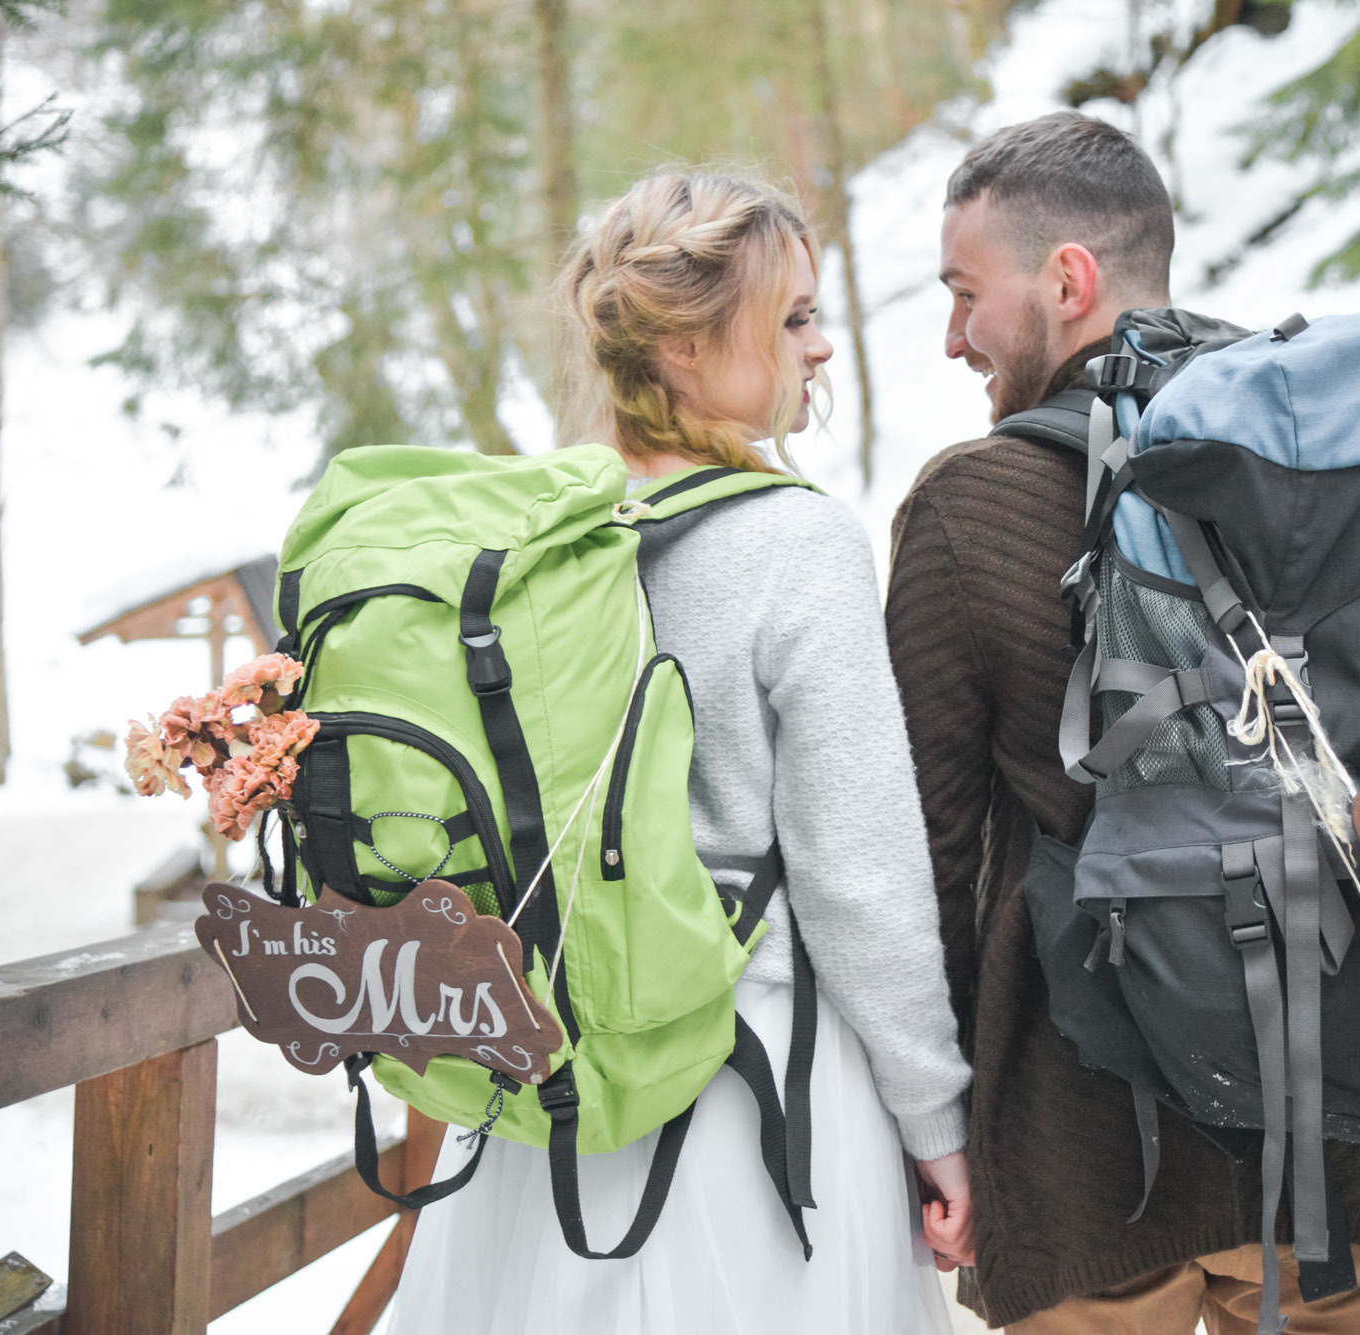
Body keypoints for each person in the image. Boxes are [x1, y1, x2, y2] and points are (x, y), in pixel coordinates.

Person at [390, 169, 973, 1335]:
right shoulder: (795, 541)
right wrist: (936, 1128)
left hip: (546, 1084)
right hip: (747, 1099)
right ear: (688, 351)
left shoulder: (532, 534)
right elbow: (858, 881)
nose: (820, 348)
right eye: (794, 317)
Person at [884, 111, 1360, 1335]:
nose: (951, 337)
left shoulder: (965, 510)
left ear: (1066, 281)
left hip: (1083, 1173)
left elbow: (931, 857)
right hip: (1332, 1139)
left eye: (964, 295)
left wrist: (933, 1136)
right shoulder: (1332, 463)